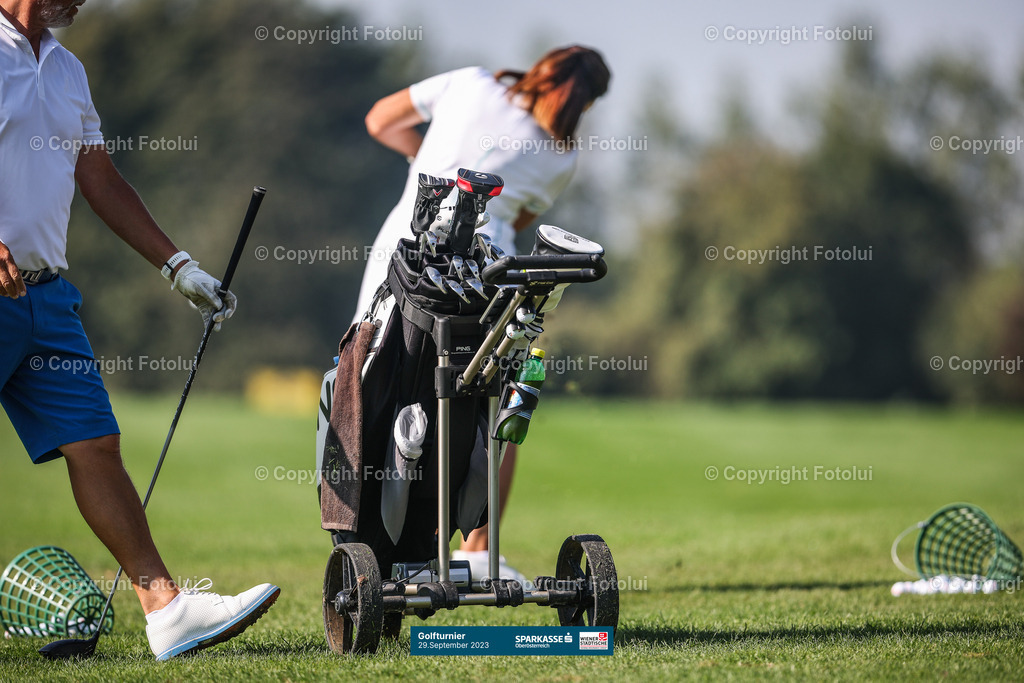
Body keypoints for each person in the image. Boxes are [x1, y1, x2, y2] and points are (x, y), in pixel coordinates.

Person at [0, 0, 278, 660]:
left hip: (45, 298)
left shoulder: (67, 70)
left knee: (96, 444)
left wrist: (176, 265)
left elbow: (96, 174)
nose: (85, 1)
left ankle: (166, 609)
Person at [357, 45, 610, 583]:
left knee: (383, 378)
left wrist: (424, 165)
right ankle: (476, 551)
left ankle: (378, 541)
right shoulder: (561, 155)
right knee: (490, 397)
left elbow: (380, 119)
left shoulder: (469, 82)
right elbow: (519, 217)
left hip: (402, 249)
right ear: (586, 103)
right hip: (485, 275)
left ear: (543, 68)